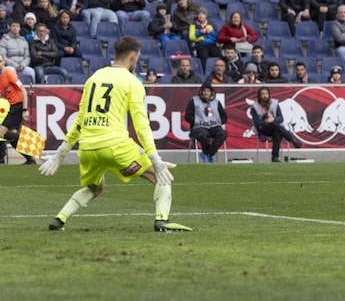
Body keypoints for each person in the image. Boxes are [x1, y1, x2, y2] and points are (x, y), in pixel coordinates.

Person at [40, 36, 192, 232]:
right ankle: (162, 221)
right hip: (114, 146)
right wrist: (155, 158)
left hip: (87, 148)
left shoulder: (94, 77)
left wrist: (61, 152)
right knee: (158, 176)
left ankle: (59, 219)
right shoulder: (132, 82)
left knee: (96, 187)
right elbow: (141, 124)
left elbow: (80, 119)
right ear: (134, 55)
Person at [250, 86, 301, 162]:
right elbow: (257, 123)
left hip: (275, 127)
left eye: (266, 94)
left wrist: (274, 119)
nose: (265, 96)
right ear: (259, 96)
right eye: (262, 94)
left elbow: (281, 118)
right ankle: (291, 139)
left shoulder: (275, 103)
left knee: (277, 132)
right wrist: (266, 121)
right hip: (263, 128)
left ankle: (275, 157)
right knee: (274, 125)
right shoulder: (254, 106)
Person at [0, 53, 35, 165]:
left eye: (0, 61)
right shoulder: (1, 77)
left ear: (4, 62)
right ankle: (30, 160)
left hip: (18, 106)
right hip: (13, 106)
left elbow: (23, 91)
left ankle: (30, 143)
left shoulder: (9, 73)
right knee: (12, 136)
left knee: (1, 133)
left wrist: (24, 110)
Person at [185, 81, 227, 163]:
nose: (206, 93)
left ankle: (208, 154)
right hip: (199, 127)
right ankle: (207, 154)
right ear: (201, 92)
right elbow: (188, 116)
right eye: (204, 91)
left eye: (208, 91)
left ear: (211, 92)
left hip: (214, 126)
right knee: (203, 135)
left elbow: (224, 116)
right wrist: (197, 121)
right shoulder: (194, 101)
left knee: (222, 134)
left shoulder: (216, 102)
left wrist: (219, 122)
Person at [188, 8, 221, 72]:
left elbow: (217, 37)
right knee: (204, 56)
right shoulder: (193, 25)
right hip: (201, 45)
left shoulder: (211, 25)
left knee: (218, 55)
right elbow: (192, 37)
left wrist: (211, 32)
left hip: (212, 44)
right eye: (199, 14)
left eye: (203, 13)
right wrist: (200, 32)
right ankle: (205, 72)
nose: (200, 15)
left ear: (206, 16)